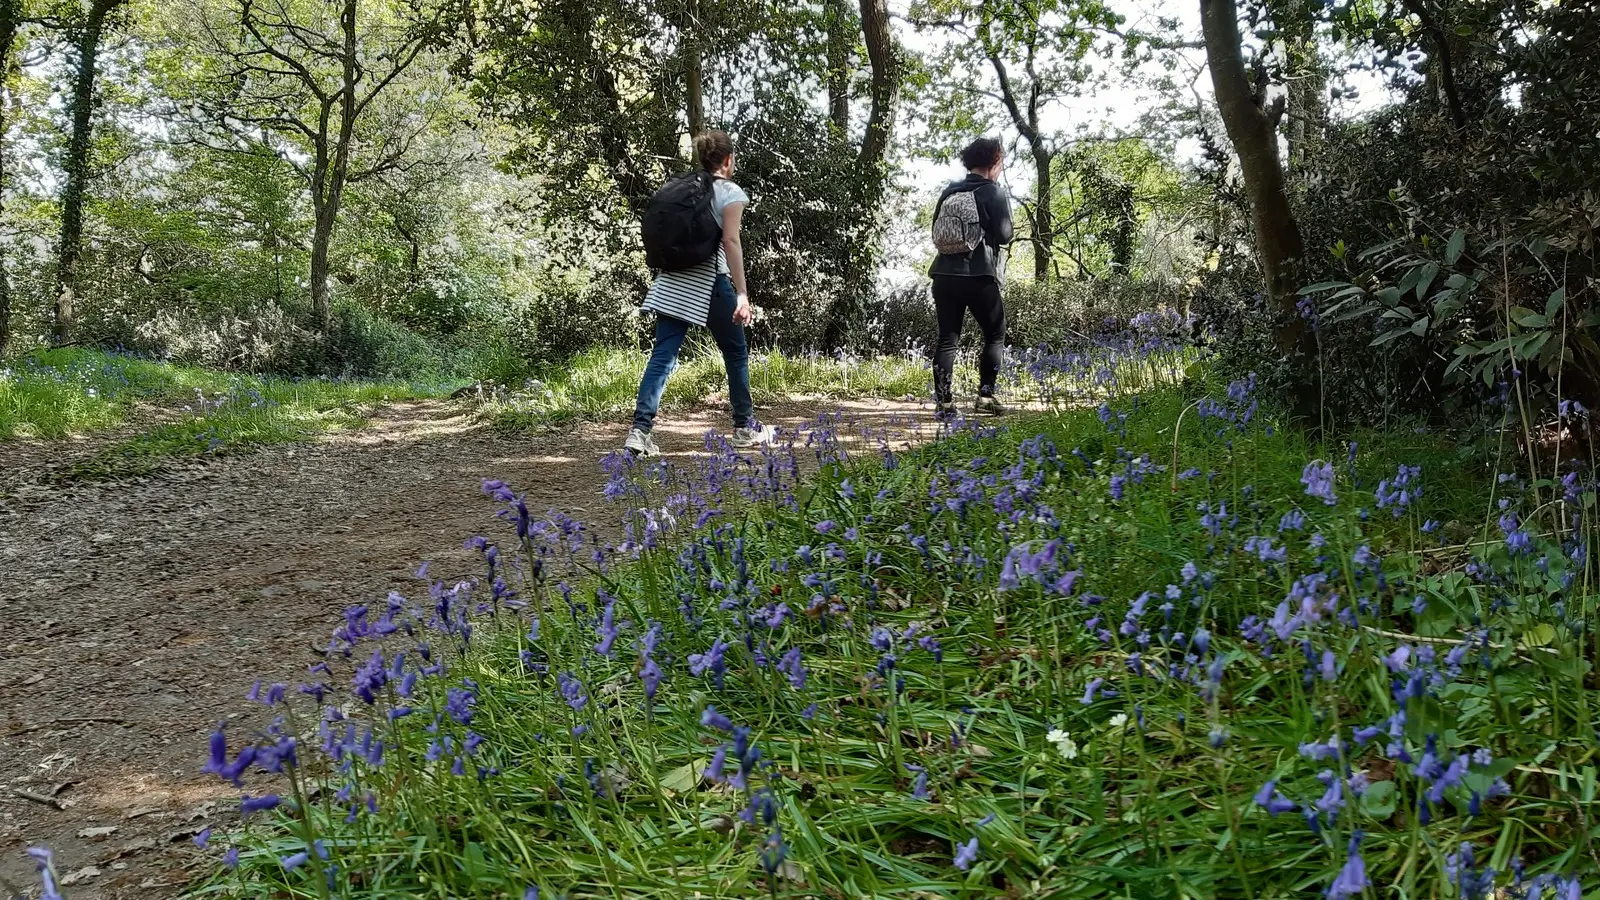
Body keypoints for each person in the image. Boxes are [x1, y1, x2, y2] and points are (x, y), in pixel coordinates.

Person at [625, 131, 775, 457]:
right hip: (709, 282)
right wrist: (743, 294)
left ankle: (639, 432)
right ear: (728, 160)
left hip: (672, 283)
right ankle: (744, 427)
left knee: (663, 356)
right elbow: (731, 242)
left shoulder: (686, 189)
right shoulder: (730, 192)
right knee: (735, 352)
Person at [928, 137, 1014, 417]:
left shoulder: (949, 191)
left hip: (943, 274)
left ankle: (945, 403)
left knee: (947, 339)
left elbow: (935, 230)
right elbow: (1004, 235)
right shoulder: (993, 192)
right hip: (978, 274)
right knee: (994, 334)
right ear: (995, 162)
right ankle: (986, 398)